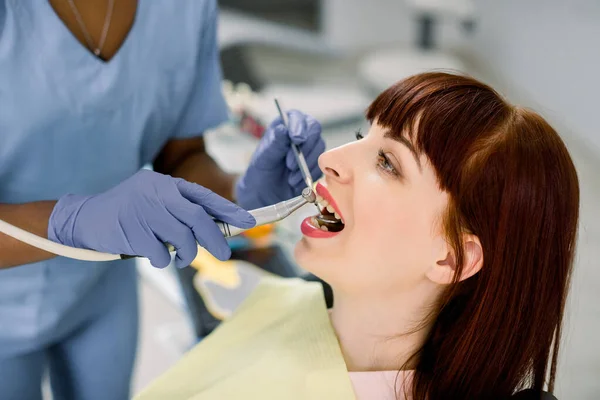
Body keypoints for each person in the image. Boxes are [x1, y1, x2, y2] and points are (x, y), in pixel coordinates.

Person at [136, 72, 579, 400]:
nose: (330, 158)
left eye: (388, 162)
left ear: (451, 259)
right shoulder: (279, 302)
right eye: (360, 136)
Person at [0, 1, 324, 399]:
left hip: (102, 289)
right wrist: (71, 222)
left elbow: (181, 156)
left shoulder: (183, 9)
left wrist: (243, 193)